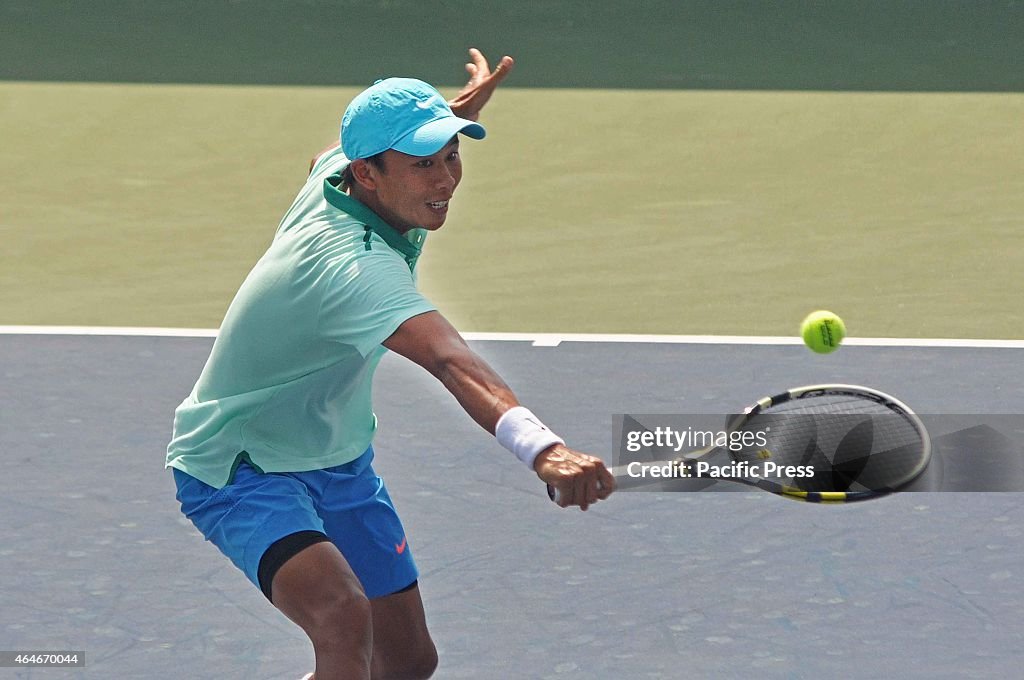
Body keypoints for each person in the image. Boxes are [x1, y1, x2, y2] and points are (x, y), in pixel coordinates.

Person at [166, 49, 615, 680]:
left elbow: (341, 148)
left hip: (336, 459)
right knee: (341, 616)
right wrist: (543, 449)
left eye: (451, 156)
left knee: (405, 661)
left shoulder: (340, 174)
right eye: (423, 163)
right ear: (369, 175)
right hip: (240, 464)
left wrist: (452, 111)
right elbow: (449, 359)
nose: (444, 181)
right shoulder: (353, 268)